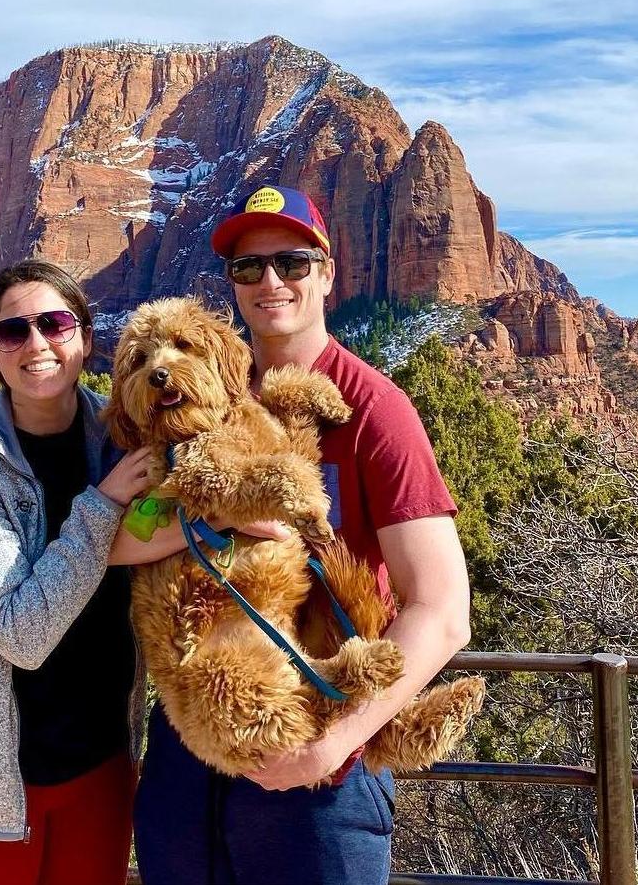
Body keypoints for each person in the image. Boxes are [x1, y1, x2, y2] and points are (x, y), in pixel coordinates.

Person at [133, 185, 473, 885]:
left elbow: (442, 611)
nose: (270, 283)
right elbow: (127, 531)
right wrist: (216, 514)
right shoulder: (199, 398)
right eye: (247, 268)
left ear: (326, 271)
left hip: (318, 755)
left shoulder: (375, 410)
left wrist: (329, 749)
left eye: (290, 262)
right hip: (189, 745)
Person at [0, 259, 154, 885]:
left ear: (86, 337)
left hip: (100, 766)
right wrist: (105, 505)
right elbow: (20, 633)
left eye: (55, 323)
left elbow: (166, 537)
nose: (37, 344)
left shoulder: (120, 436)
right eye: (13, 332)